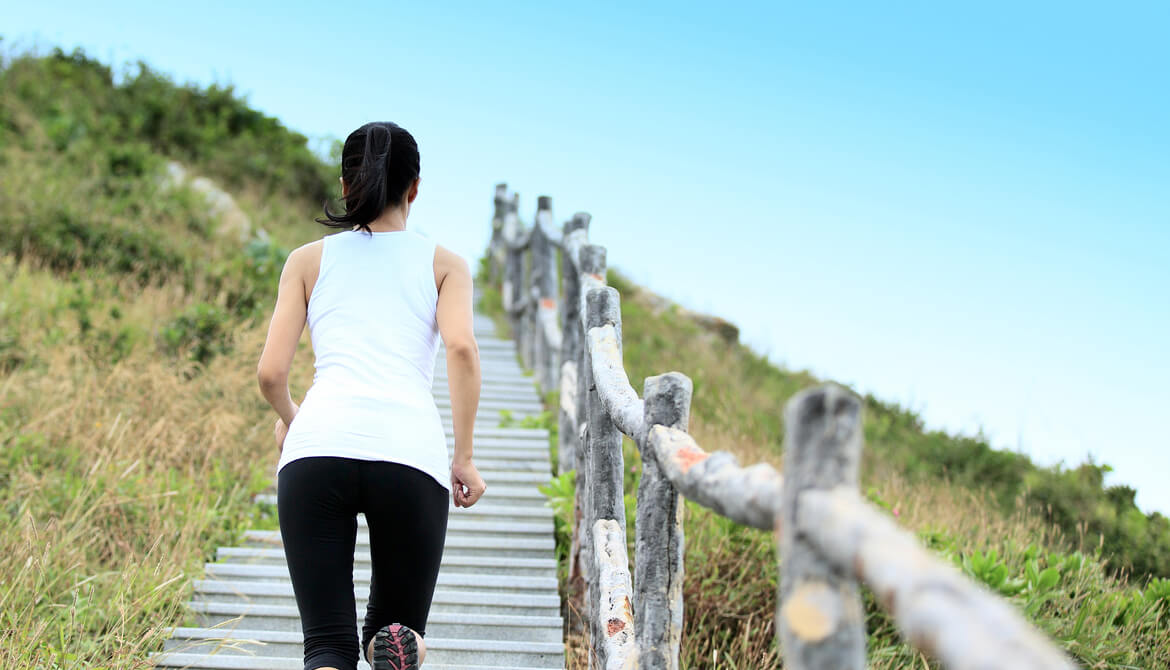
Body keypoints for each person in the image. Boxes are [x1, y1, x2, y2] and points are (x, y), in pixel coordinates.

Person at [256, 121, 487, 670]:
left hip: (317, 450)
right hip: (409, 455)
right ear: (414, 188)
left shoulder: (307, 260)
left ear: (345, 185)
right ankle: (396, 643)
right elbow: (461, 349)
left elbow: (269, 373)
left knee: (326, 646)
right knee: (396, 628)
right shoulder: (445, 264)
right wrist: (465, 456)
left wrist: (293, 417)